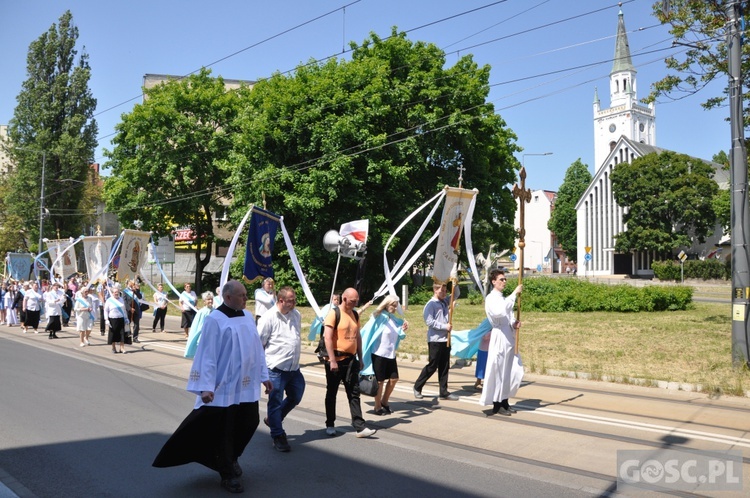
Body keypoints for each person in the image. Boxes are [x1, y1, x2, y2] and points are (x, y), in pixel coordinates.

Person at [153, 280, 272, 494]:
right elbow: (206, 355)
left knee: (250, 422)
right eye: (242, 295)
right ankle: (227, 473)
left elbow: (256, 349)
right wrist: (205, 387)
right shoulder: (215, 320)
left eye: (246, 295)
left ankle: (231, 458)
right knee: (225, 431)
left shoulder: (246, 316)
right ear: (228, 298)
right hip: (224, 387)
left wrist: (264, 376)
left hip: (245, 385)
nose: (247, 298)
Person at [323, 287, 376, 438]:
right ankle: (330, 424)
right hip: (335, 361)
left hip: (351, 361)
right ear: (344, 299)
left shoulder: (354, 314)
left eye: (356, 301)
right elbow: (327, 338)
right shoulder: (334, 314)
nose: (355, 303)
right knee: (331, 392)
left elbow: (357, 336)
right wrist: (332, 360)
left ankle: (359, 426)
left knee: (354, 392)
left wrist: (360, 357)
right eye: (353, 301)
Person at [257, 286, 305, 452]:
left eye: (294, 300)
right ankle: (278, 435)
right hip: (275, 369)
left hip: (293, 369)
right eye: (291, 300)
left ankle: (273, 419)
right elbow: (258, 346)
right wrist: (263, 374)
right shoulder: (268, 318)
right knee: (275, 402)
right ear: (281, 300)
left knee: (296, 395)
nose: (294, 303)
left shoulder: (296, 315)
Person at [480, 269, 524, 416]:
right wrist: (514, 295)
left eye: (505, 279)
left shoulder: (504, 298)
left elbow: (509, 315)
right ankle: (497, 404)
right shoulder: (491, 298)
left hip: (508, 336)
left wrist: (514, 323)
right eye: (502, 279)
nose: (504, 282)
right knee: (498, 369)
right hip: (499, 335)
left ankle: (505, 400)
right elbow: (499, 312)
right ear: (494, 281)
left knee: (509, 370)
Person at [360, 295, 408, 415]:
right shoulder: (378, 317)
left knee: (394, 379)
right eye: (393, 305)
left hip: (390, 354)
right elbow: (367, 331)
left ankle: (384, 401)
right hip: (378, 354)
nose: (394, 307)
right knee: (380, 382)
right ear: (386, 304)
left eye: (396, 306)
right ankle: (377, 407)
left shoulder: (393, 319)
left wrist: (402, 328)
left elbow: (397, 334)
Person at [413, 282, 461, 401]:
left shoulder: (444, 301)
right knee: (433, 365)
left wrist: (455, 283)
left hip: (446, 339)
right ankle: (417, 387)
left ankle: (443, 391)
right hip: (435, 339)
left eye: (445, 290)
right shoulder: (431, 304)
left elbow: (456, 294)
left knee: (444, 366)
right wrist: (444, 326)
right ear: (435, 290)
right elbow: (429, 321)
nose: (444, 293)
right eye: (442, 291)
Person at [184, 291, 215, 359]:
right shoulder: (201, 312)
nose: (210, 301)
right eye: (208, 299)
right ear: (204, 301)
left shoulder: (215, 311)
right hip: (203, 337)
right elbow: (197, 326)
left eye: (211, 299)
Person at [105, 284, 129, 354]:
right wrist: (106, 319)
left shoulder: (121, 299)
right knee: (113, 334)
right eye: (115, 292)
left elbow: (124, 310)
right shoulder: (109, 300)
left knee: (122, 333)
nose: (116, 293)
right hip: (113, 319)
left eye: (117, 292)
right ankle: (113, 347)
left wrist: (126, 318)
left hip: (121, 318)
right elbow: (106, 310)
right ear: (112, 293)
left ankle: (122, 348)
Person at [123, 279, 143, 343]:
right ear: (129, 283)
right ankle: (128, 336)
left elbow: (140, 297)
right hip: (129, 310)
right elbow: (124, 301)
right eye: (131, 282)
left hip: (136, 309)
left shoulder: (136, 290)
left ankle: (135, 337)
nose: (133, 283)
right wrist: (129, 308)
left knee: (136, 324)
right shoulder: (125, 291)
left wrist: (136, 291)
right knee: (127, 323)